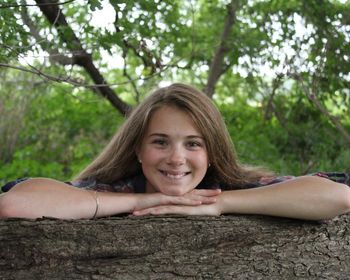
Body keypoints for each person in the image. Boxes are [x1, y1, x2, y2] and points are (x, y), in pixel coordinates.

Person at [0, 83, 349, 220]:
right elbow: (14, 204)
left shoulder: (227, 186)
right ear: (138, 149)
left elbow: (338, 196)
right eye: (160, 141)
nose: (176, 158)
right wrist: (140, 202)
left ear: (212, 152)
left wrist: (220, 203)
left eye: (193, 143)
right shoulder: (115, 189)